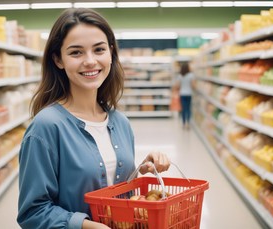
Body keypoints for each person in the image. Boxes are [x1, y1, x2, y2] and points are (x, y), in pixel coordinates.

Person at [17, 8, 171, 229]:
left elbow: (117, 188)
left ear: (110, 53)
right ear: (58, 60)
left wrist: (141, 170)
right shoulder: (46, 127)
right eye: (76, 52)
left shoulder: (120, 123)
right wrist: (86, 225)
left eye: (99, 49)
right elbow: (32, 213)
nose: (90, 61)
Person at [173, 62, 194, 130]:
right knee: (188, 109)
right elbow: (193, 85)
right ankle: (188, 123)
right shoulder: (191, 75)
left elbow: (177, 85)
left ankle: (184, 124)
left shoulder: (180, 76)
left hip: (182, 94)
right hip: (189, 93)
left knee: (183, 109)